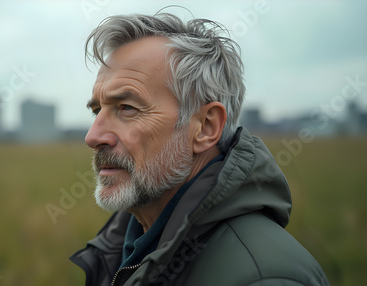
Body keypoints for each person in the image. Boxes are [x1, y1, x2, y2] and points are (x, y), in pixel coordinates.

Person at [70, 12, 329, 286]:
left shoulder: (265, 277)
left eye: (127, 108)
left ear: (205, 128)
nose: (93, 136)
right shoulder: (124, 248)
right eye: (97, 110)